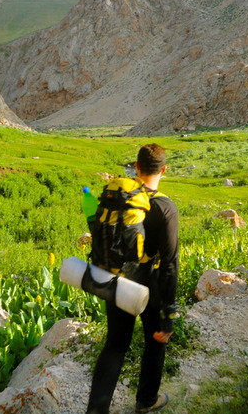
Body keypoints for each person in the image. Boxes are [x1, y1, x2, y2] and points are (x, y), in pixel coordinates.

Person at [86, 143, 179, 414]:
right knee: (155, 338)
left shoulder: (120, 198)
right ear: (164, 170)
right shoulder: (164, 207)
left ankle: (96, 410)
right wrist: (168, 312)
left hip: (115, 278)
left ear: (136, 167)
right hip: (148, 282)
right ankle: (146, 400)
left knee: (115, 344)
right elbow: (171, 263)